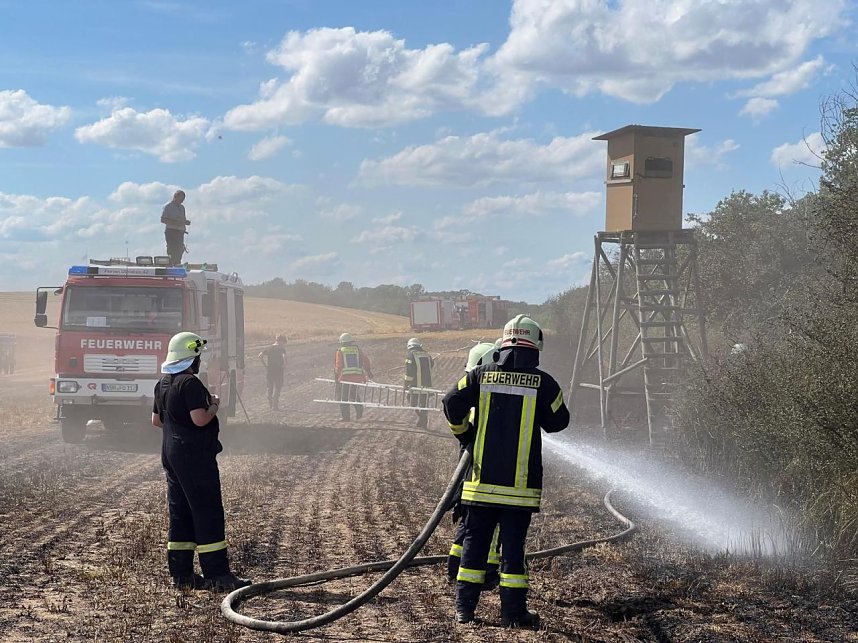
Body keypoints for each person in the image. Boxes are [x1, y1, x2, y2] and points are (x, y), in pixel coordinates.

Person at [443, 315, 570, 628]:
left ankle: (464, 610)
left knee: (473, 547)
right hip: (519, 490)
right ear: (535, 343)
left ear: (504, 341)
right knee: (513, 553)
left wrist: (464, 432)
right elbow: (559, 421)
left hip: (480, 485)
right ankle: (513, 613)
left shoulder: (480, 375)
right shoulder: (545, 383)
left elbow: (450, 401)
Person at [151, 331, 250, 591]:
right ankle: (217, 574)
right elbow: (200, 419)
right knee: (207, 512)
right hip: (193, 457)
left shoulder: (162, 383)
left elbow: (156, 421)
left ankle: (182, 575)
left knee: (180, 513)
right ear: (190, 357)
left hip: (170, 455)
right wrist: (215, 405)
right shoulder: (190, 384)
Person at [447, 342, 500, 587]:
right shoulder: (485, 399)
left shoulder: (474, 398)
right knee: (488, 524)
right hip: (482, 472)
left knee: (468, 522)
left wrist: (463, 434)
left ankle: (455, 565)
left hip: (469, 471)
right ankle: (487, 571)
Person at [334, 332, 372, 421]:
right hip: (357, 378)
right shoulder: (357, 350)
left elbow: (338, 365)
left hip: (344, 378)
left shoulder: (340, 351)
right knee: (353, 395)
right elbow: (366, 360)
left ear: (342, 342)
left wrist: (337, 377)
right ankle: (359, 409)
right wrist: (368, 371)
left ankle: (346, 417)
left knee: (343, 398)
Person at [403, 337, 434, 428]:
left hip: (415, 384)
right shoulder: (426, 354)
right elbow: (431, 364)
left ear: (409, 346)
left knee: (412, 401)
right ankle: (423, 421)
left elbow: (409, 372)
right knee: (424, 404)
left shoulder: (411, 355)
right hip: (427, 384)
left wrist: (406, 384)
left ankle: (421, 417)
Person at [161, 190, 190, 265]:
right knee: (172, 249)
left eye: (183, 199)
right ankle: (172, 264)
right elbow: (163, 219)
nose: (182, 200)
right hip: (171, 231)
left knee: (180, 249)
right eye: (181, 198)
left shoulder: (182, 208)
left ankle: (178, 263)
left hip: (180, 232)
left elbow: (182, 219)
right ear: (176, 197)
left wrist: (185, 222)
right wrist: (175, 223)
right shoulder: (168, 206)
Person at [258, 334, 288, 410]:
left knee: (269, 388)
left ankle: (270, 405)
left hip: (270, 370)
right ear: (281, 341)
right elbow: (284, 356)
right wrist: (284, 364)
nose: (284, 344)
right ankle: (275, 406)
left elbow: (260, 356)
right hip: (279, 370)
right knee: (278, 388)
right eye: (284, 342)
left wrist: (265, 365)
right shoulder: (281, 349)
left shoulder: (269, 348)